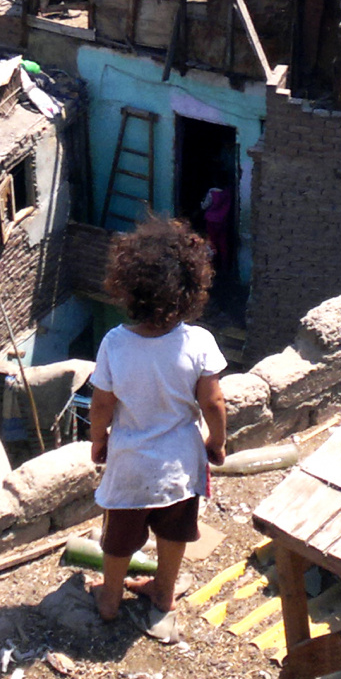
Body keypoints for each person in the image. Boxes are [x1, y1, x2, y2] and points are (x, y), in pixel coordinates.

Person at [89, 214, 227, 621]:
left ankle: (110, 598)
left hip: (131, 463)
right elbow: (214, 403)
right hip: (181, 464)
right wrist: (215, 443)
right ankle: (163, 592)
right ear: (191, 288)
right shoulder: (199, 342)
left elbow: (101, 405)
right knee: (174, 533)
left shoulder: (115, 344)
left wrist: (99, 440)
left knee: (119, 539)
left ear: (128, 289)